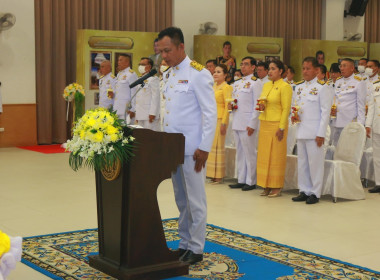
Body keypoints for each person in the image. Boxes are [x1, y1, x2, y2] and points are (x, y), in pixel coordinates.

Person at [157, 27, 217, 264]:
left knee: (195, 200)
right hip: (173, 149)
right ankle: (184, 243)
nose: (164, 56)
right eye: (161, 51)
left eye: (168, 50)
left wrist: (204, 146)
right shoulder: (169, 74)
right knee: (181, 199)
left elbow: (210, 113)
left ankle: (197, 248)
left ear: (181, 47)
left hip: (193, 149)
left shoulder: (198, 73)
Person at [291, 57, 333, 204]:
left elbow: (325, 112)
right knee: (302, 162)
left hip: (315, 132)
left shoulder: (323, 87)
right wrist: (293, 115)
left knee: (315, 164)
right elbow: (295, 106)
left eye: (308, 68)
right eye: (303, 68)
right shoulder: (299, 86)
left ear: (316, 70)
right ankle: (304, 190)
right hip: (301, 129)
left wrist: (321, 133)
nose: (305, 71)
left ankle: (315, 193)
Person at [256, 60, 292, 197]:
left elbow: (286, 109)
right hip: (265, 122)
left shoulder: (285, 86)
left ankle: (276, 185)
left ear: (281, 71)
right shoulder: (266, 85)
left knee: (276, 156)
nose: (270, 71)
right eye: (269, 69)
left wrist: (282, 127)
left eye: (273, 69)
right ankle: (265, 184)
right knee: (265, 155)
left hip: (277, 124)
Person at [228, 57, 263, 191]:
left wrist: (253, 123)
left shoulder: (256, 83)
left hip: (248, 123)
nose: (243, 67)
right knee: (240, 152)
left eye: (246, 65)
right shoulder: (237, 83)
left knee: (250, 153)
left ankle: (251, 180)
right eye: (242, 64)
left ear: (253, 67)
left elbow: (257, 104)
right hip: (237, 120)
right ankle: (241, 179)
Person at [206, 64, 232, 184]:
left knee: (218, 146)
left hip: (220, 119)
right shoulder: (213, 86)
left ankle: (219, 175)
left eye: (219, 72)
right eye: (215, 72)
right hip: (211, 119)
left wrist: (224, 123)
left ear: (225, 75)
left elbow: (228, 107)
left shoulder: (226, 87)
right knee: (211, 147)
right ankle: (212, 174)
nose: (215, 74)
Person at [331, 58, 366, 145]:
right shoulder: (338, 81)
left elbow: (361, 106)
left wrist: (360, 126)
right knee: (335, 148)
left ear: (352, 68)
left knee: (348, 151)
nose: (341, 68)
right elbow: (334, 99)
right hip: (336, 121)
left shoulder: (359, 82)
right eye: (341, 66)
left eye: (344, 66)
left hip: (349, 123)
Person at [135, 57, 160, 131]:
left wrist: (153, 113)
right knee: (141, 137)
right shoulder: (139, 79)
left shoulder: (153, 79)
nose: (140, 66)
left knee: (150, 137)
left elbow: (156, 97)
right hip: (140, 114)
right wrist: (137, 114)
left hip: (149, 115)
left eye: (143, 64)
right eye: (139, 64)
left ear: (149, 66)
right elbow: (138, 97)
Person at [113, 54, 138, 123]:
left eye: (120, 60)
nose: (118, 62)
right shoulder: (119, 74)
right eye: (118, 60)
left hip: (126, 109)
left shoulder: (132, 74)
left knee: (126, 131)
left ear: (127, 62)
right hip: (117, 108)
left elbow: (135, 92)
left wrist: (133, 109)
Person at [365, 79, 380, 193]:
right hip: (376, 125)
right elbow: (371, 107)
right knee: (377, 157)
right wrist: (368, 124)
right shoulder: (376, 86)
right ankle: (378, 183)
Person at [159, 60, 170, 131]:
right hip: (160, 113)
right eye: (161, 64)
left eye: (165, 64)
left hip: (169, 114)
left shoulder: (172, 79)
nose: (162, 66)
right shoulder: (159, 80)